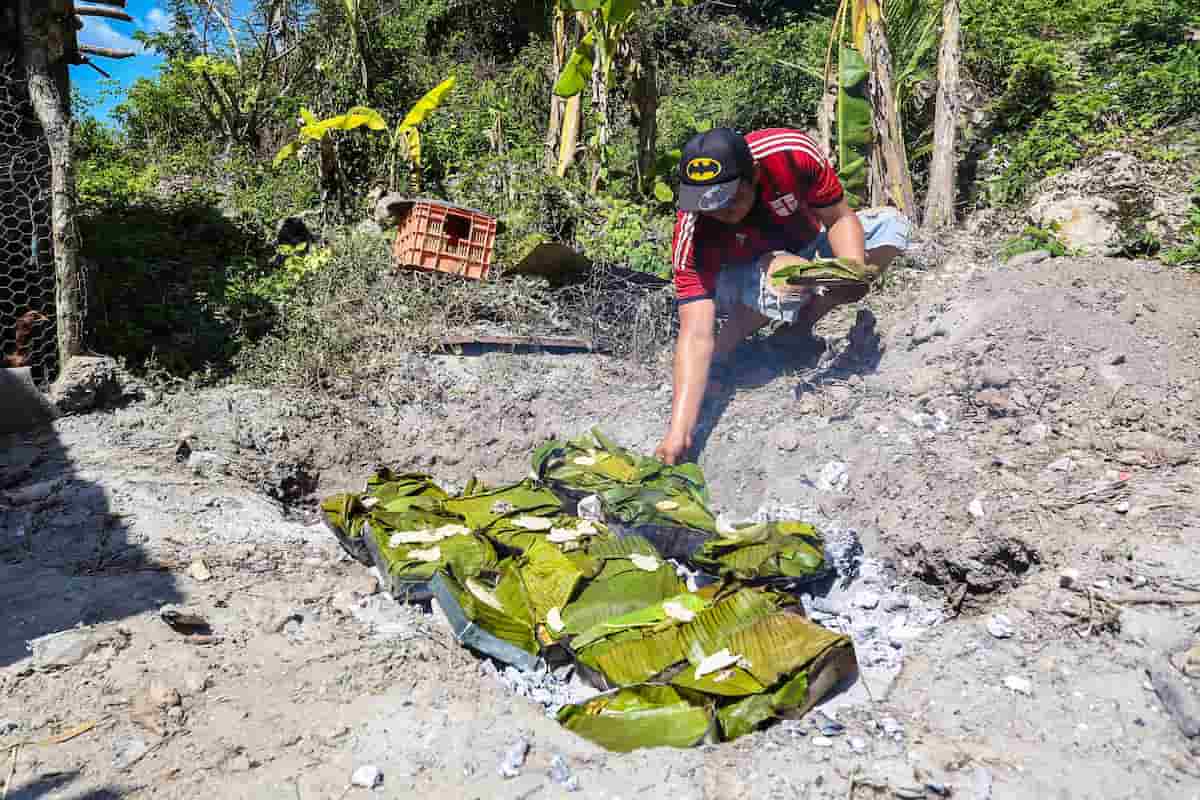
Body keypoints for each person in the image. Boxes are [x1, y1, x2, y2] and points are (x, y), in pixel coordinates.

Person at [654, 127, 911, 465]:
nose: (720, 211)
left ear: (755, 173)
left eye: (729, 198)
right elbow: (695, 332)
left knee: (890, 226)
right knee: (790, 276)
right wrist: (679, 433)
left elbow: (839, 218)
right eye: (708, 203)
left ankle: (795, 331)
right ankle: (724, 353)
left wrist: (850, 270)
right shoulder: (692, 227)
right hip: (739, 281)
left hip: (806, 248)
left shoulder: (791, 154)